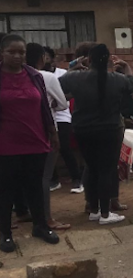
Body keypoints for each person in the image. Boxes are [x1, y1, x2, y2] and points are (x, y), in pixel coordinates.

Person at [59, 43, 133, 225]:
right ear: (108, 60)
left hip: (82, 129)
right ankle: (105, 213)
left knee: (92, 167)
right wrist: (126, 67)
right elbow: (132, 84)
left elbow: (58, 85)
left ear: (89, 60)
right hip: (109, 129)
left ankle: (93, 209)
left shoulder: (76, 78)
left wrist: (73, 68)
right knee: (106, 170)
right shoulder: (117, 79)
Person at [0, 34, 61, 252]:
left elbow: (44, 105)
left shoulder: (34, 76)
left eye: (21, 52)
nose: (17, 56)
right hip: (6, 144)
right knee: (6, 189)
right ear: (2, 53)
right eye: (12, 52)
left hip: (35, 140)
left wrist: (52, 132)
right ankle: (5, 233)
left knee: (35, 186)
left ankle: (40, 226)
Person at [25, 44, 70, 230]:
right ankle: (46, 218)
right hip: (47, 129)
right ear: (42, 58)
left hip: (22, 131)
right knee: (44, 176)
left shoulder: (16, 77)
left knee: (26, 176)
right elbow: (63, 104)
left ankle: (27, 212)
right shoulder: (47, 77)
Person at [43, 47, 84, 193]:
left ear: (52, 59)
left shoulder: (62, 73)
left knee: (64, 147)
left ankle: (77, 179)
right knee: (47, 148)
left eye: (47, 57)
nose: (45, 60)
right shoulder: (38, 75)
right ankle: (54, 180)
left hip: (62, 115)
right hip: (46, 116)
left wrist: (58, 99)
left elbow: (71, 93)